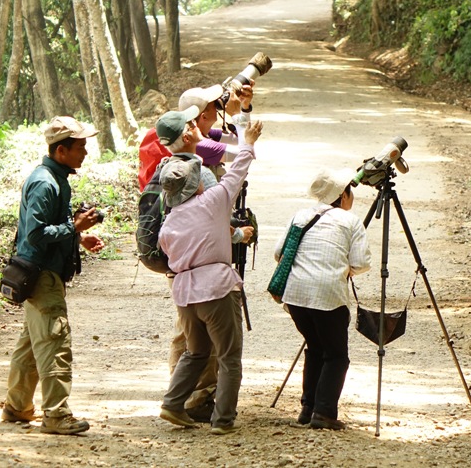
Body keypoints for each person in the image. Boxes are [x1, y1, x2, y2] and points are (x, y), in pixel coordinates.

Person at [157, 119, 263, 435]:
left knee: (196, 351)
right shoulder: (212, 202)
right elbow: (236, 173)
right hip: (216, 288)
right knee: (229, 357)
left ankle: (173, 404)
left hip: (185, 294)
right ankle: (224, 420)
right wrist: (249, 141)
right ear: (197, 184)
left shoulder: (169, 224)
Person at [1, 116, 104, 435]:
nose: (85, 152)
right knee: (56, 341)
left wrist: (78, 237)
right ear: (61, 150)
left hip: (42, 273)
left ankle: (17, 407)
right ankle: (56, 415)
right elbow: (35, 234)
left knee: (33, 344)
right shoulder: (46, 182)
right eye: (80, 147)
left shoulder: (56, 178)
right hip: (42, 275)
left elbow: (47, 228)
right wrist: (74, 227)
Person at [275, 168, 371, 430]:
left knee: (315, 347)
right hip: (329, 296)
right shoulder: (350, 222)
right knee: (337, 355)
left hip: (295, 296)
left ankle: (308, 409)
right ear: (342, 195)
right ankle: (324, 412)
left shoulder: (300, 215)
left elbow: (279, 252)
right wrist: (344, 268)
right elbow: (361, 263)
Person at [177, 82, 254, 180]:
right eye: (214, 104)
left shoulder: (201, 134)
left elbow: (242, 139)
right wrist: (235, 114)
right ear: (204, 116)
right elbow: (246, 153)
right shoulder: (198, 144)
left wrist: (244, 107)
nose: (218, 106)